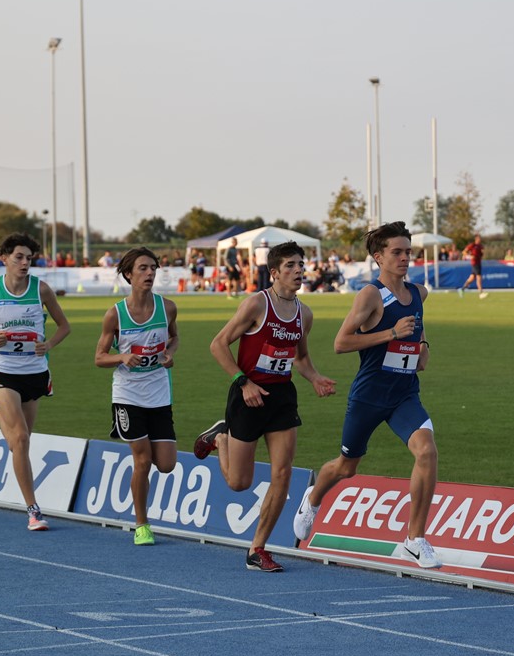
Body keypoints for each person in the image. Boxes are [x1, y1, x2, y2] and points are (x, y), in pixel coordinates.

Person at [292, 221, 442, 570]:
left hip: (404, 394)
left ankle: (414, 540)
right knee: (347, 467)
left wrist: (423, 347)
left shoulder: (419, 293)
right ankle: (313, 498)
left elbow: (418, 329)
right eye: (397, 252)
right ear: (379, 257)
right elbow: (341, 343)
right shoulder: (371, 295)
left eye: (408, 251)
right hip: (370, 395)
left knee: (427, 451)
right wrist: (391, 333)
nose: (405, 258)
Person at [193, 241, 336, 572]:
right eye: (290, 265)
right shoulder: (257, 304)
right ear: (274, 272)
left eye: (301, 264)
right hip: (248, 395)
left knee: (283, 473)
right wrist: (242, 382)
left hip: (282, 397)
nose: (299, 270)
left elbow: (300, 358)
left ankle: (258, 549)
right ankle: (221, 439)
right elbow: (218, 344)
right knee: (238, 482)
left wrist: (315, 378)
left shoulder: (304, 314)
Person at [0, 232, 71, 531]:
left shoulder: (42, 290)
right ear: (4, 258)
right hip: (4, 373)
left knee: (18, 445)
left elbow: (64, 326)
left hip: (34, 373)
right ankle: (33, 510)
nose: (25, 263)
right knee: (20, 438)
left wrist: (48, 344)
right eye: (19, 257)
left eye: (29, 258)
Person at [94, 247, 179, 546]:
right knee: (142, 460)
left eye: (153, 268)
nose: (150, 273)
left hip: (159, 393)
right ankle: (142, 525)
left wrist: (169, 354)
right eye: (143, 268)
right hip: (128, 395)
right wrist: (121, 357)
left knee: (166, 464)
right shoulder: (115, 314)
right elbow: (99, 357)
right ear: (128, 274)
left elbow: (174, 337)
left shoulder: (167, 308)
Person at [460, 234, 488, 299]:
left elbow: (481, 254)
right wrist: (470, 256)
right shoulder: (472, 245)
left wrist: (482, 253)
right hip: (474, 263)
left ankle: (462, 289)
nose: (480, 239)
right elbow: (464, 252)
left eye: (480, 238)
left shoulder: (480, 246)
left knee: (472, 278)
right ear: (476, 239)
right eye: (478, 238)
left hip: (479, 263)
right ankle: (481, 293)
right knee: (479, 277)